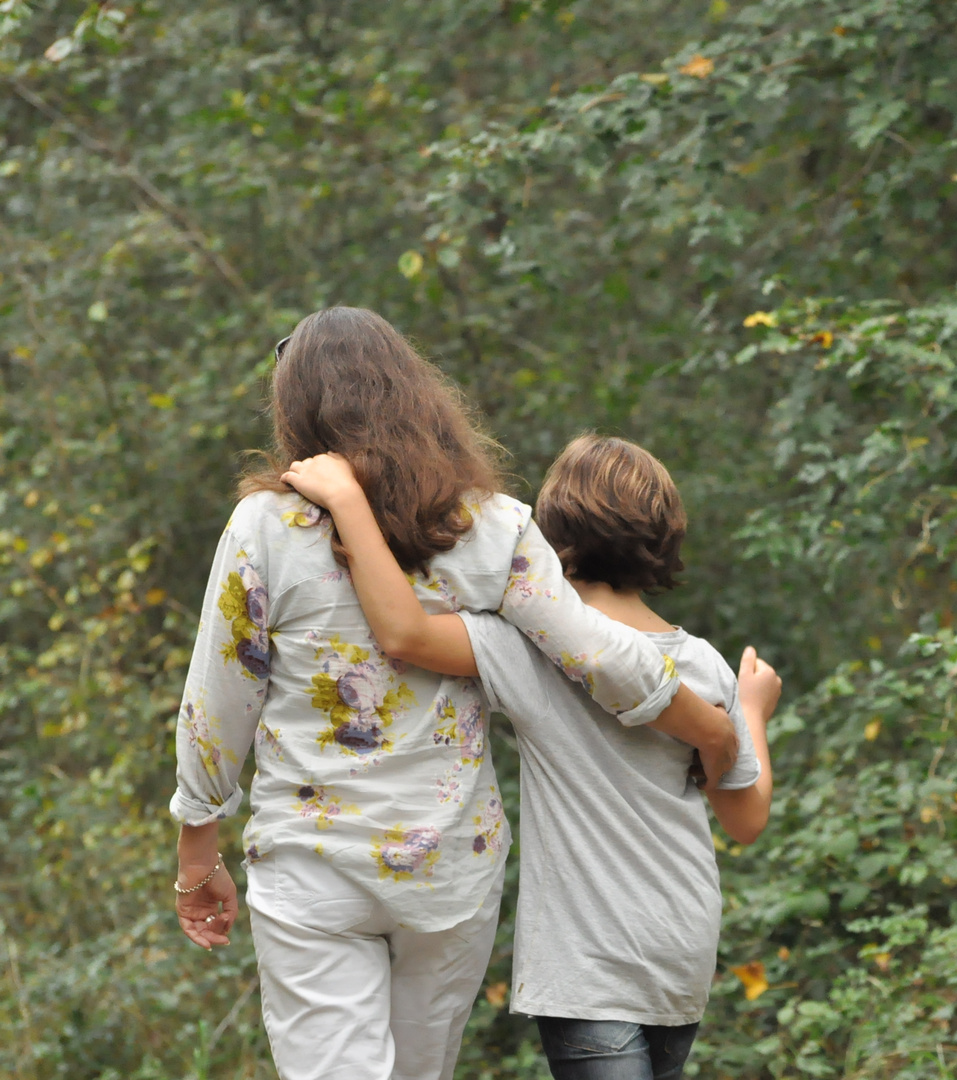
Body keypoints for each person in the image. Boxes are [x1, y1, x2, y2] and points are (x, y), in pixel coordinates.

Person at [168, 307, 739, 1080]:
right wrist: (712, 727)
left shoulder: (266, 527)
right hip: (447, 872)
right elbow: (600, 654)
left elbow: (218, 703)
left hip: (313, 867)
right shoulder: (494, 528)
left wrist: (198, 853)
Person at [281, 433, 780, 1080]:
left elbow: (403, 632)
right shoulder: (703, 666)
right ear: (665, 533)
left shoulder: (532, 652)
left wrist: (350, 505)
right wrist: (753, 713)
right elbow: (746, 820)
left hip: (587, 966)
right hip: (681, 949)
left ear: (552, 536)